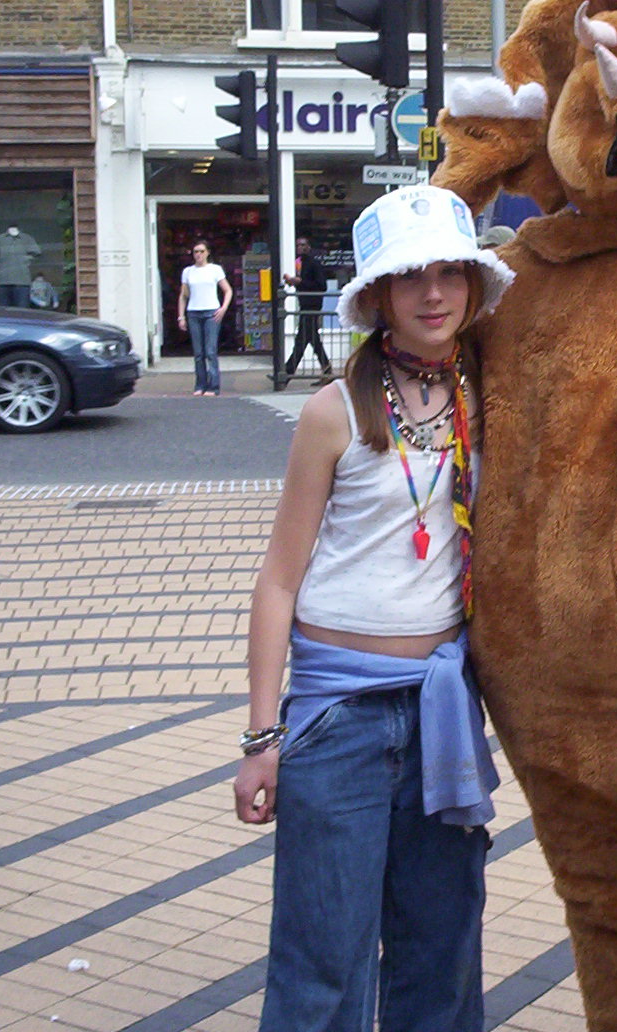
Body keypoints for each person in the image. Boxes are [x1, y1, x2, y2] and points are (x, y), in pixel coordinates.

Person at [233, 185, 513, 1032]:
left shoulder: (489, 401)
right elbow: (278, 579)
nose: (433, 294)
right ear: (379, 296)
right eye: (410, 277)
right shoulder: (334, 412)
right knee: (323, 963)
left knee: (442, 955)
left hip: (441, 714)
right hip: (337, 720)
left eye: (449, 274)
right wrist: (261, 739)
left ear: (472, 285)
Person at [178, 242, 232, 396]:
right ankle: (200, 385)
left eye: (201, 251)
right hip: (193, 312)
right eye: (196, 251)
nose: (198, 255)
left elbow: (227, 290)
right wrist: (181, 316)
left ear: (208, 252)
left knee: (210, 351)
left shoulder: (215, 269)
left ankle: (213, 386)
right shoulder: (188, 271)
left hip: (211, 312)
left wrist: (223, 308)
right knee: (198, 353)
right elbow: (183, 295)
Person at [284, 235, 332, 382]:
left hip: (312, 306)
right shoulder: (299, 263)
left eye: (303, 245)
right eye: (298, 245)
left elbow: (321, 286)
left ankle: (286, 373)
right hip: (304, 305)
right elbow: (302, 283)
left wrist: (300, 282)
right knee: (312, 339)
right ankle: (327, 369)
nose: (300, 248)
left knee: (302, 340)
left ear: (309, 247)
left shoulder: (314, 264)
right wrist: (293, 282)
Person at [0, 226, 42, 307]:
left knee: (22, 311)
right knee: (4, 311)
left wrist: (26, 259)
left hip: (22, 282)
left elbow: (37, 253)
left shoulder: (27, 238)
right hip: (4, 281)